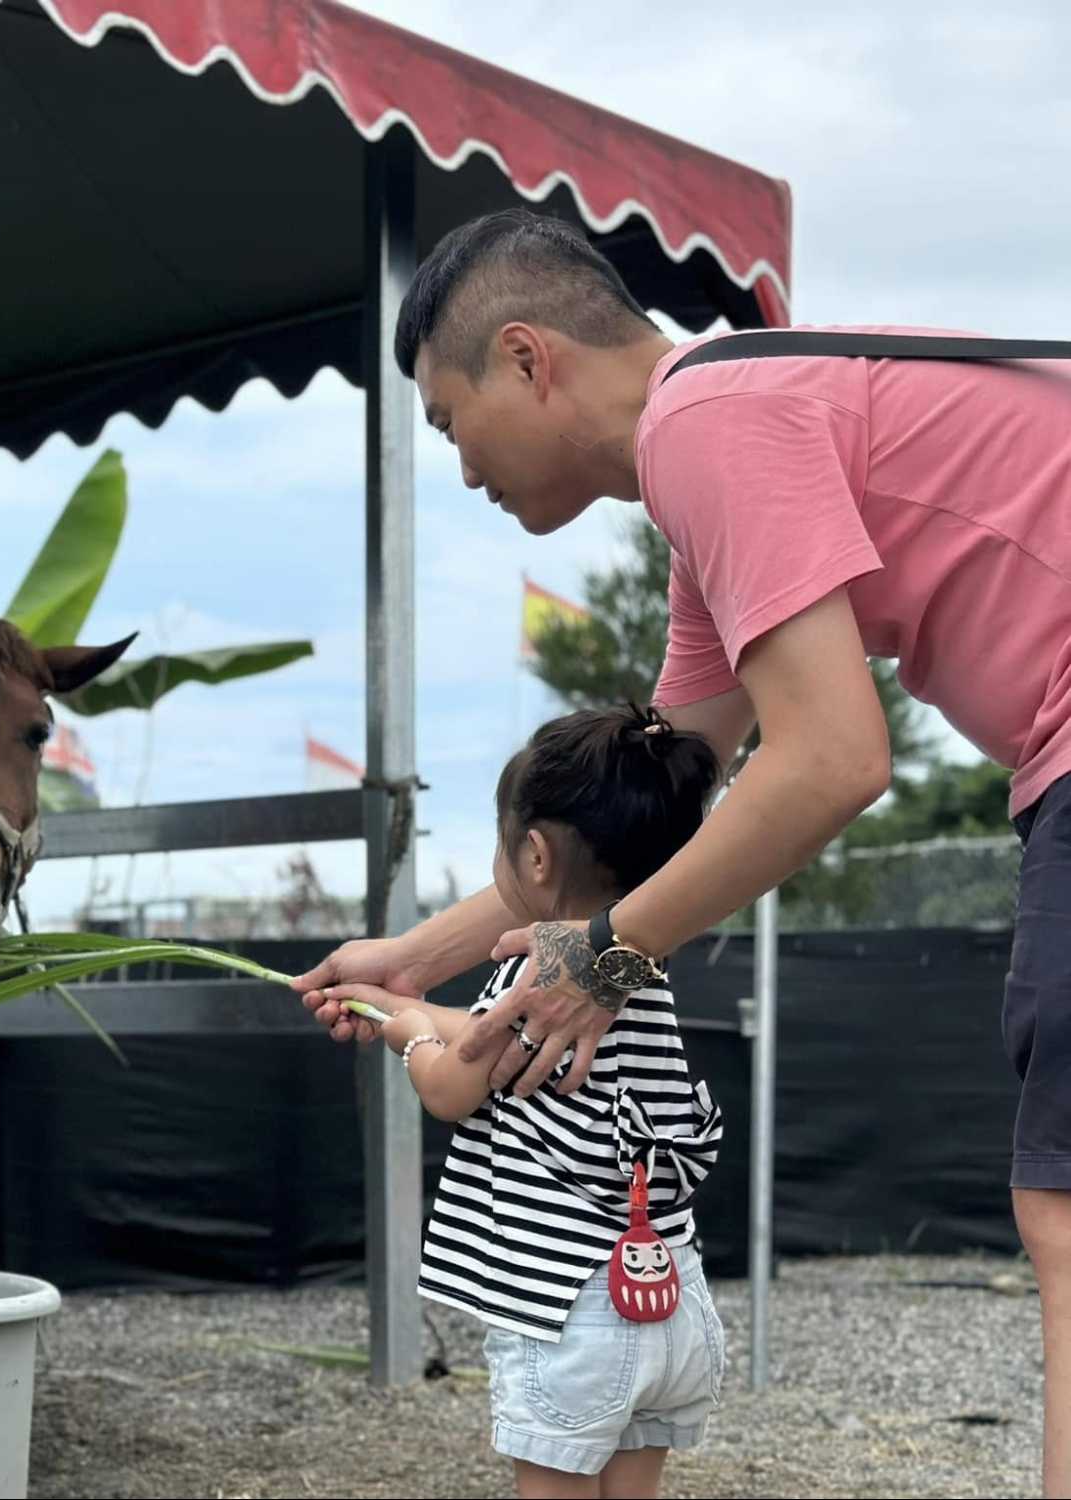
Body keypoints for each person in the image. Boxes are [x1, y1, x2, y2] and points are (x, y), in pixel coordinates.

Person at [294, 207, 1071, 1495]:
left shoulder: (707, 426)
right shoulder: (717, 456)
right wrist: (415, 956)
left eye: (447, 423)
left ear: (530, 361)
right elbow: (628, 827)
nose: (462, 467)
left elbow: (831, 760)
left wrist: (604, 956)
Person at [320, 704, 724, 1498]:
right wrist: (391, 1000)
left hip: (567, 1316)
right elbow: (493, 1039)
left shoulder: (538, 967)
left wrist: (404, 1034)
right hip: (668, 1298)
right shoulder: (635, 975)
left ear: (532, 855)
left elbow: (450, 1085)